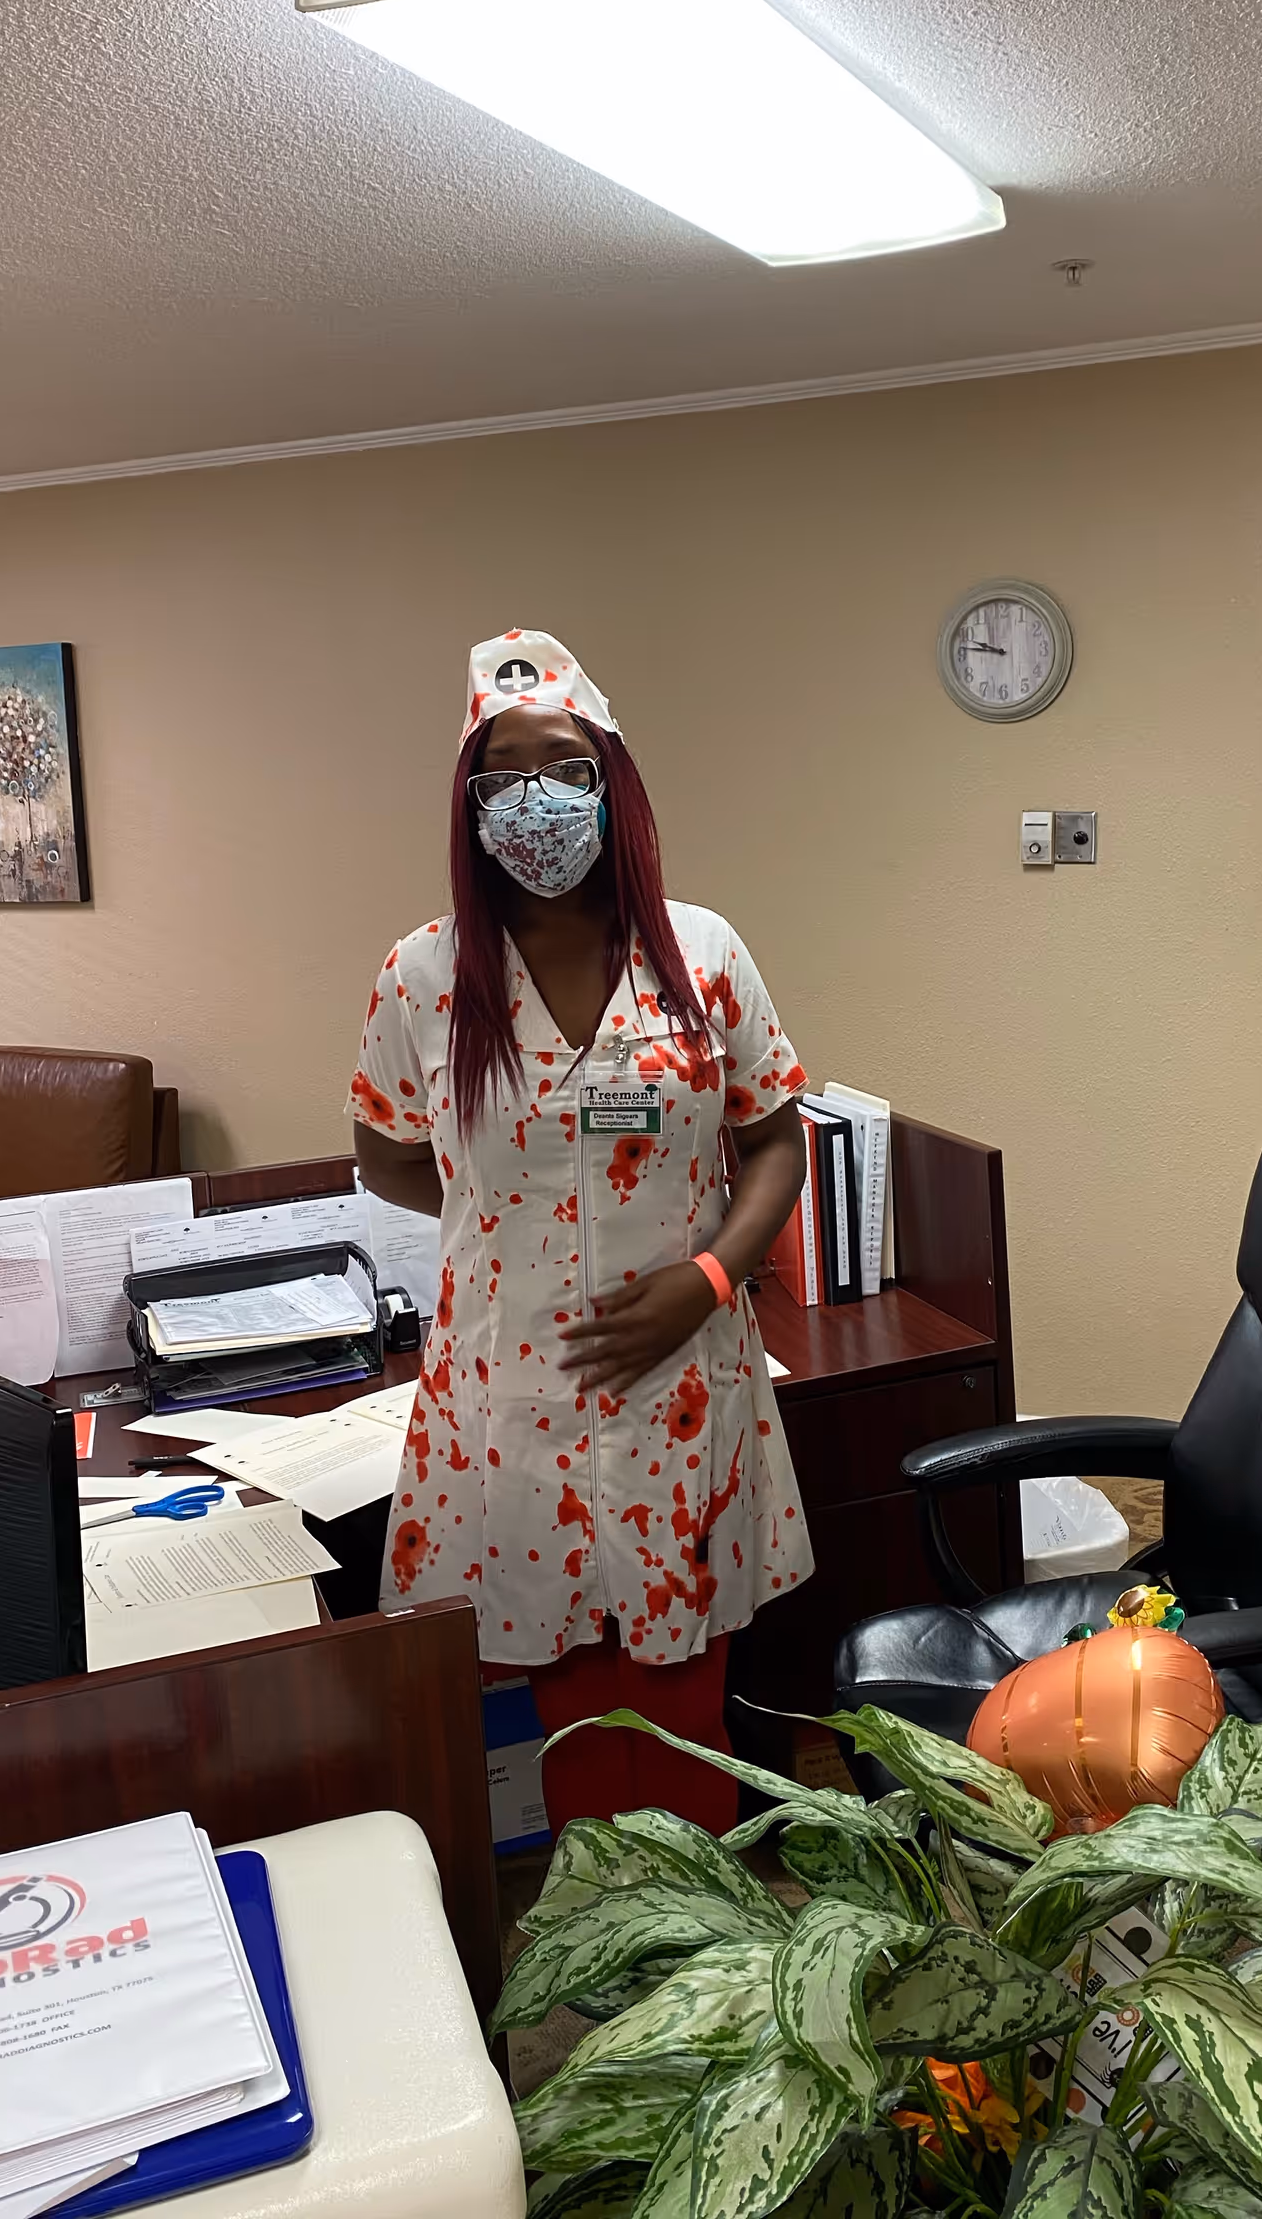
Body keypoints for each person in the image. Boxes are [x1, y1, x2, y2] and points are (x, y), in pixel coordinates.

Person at [349, 630, 813, 1834]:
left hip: (681, 1380)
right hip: (518, 1396)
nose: (533, 800)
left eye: (560, 765)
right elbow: (389, 1155)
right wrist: (511, 1235)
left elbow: (775, 1137)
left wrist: (707, 1277)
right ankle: (611, 1946)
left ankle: (703, 1951)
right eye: (499, 776)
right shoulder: (422, 978)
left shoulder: (700, 955)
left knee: (686, 1702)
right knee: (575, 1713)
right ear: (469, 802)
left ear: (612, 778)